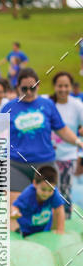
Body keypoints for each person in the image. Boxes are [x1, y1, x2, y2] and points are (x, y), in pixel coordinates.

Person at [0, 67, 83, 206]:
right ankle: (17, 228)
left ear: (38, 85)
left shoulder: (47, 105)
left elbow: (61, 130)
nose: (29, 92)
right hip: (16, 165)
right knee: (16, 207)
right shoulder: (9, 107)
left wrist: (77, 142)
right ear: (18, 87)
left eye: (33, 88)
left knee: (46, 206)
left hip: (44, 165)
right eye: (24, 89)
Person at [47, 71, 83, 219]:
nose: (63, 89)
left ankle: (64, 223)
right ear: (55, 86)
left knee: (65, 193)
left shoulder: (76, 105)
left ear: (70, 86)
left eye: (66, 86)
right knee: (46, 191)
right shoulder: (48, 103)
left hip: (67, 157)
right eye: (59, 85)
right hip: (47, 157)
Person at [10, 166, 66, 237]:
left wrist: (60, 229)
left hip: (44, 229)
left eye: (50, 190)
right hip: (26, 230)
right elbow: (15, 206)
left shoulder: (54, 193)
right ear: (35, 184)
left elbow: (60, 208)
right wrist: (15, 212)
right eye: (43, 189)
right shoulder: (28, 194)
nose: (46, 193)